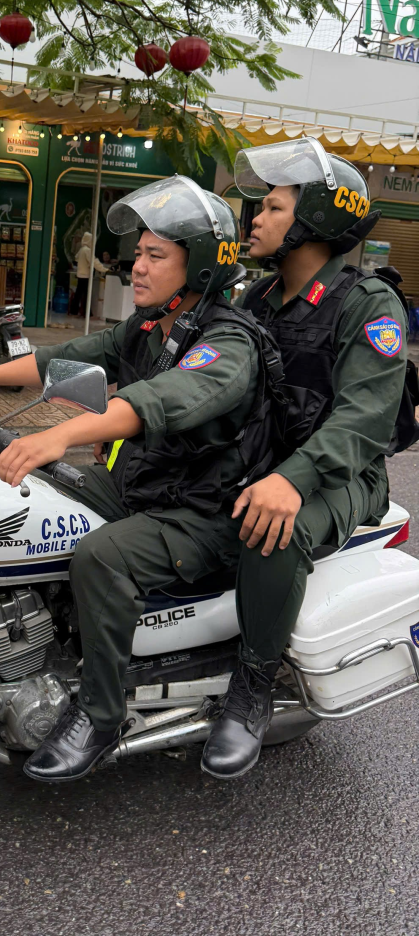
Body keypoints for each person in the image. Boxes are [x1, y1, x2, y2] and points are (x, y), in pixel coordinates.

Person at [0, 176, 276, 783]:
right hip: (144, 486)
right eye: (138, 254)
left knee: (101, 556)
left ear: (199, 266)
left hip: (202, 512)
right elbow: (67, 358)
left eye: (156, 255)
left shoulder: (228, 341)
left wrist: (61, 435)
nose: (138, 267)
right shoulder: (150, 325)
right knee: (30, 496)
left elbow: (163, 398)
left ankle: (101, 716)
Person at [200, 138, 408, 780]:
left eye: (273, 208)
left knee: (274, 530)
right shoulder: (256, 300)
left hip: (342, 475)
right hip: (264, 459)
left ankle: (253, 687)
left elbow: (364, 419)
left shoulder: (368, 303)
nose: (255, 218)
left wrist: (292, 480)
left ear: (314, 221)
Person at [69, 231, 109, 316]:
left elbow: (76, 259)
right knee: (86, 295)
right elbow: (94, 262)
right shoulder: (87, 250)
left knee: (79, 294)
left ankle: (74, 311)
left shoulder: (82, 249)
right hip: (85, 276)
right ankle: (86, 313)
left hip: (80, 274)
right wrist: (105, 270)